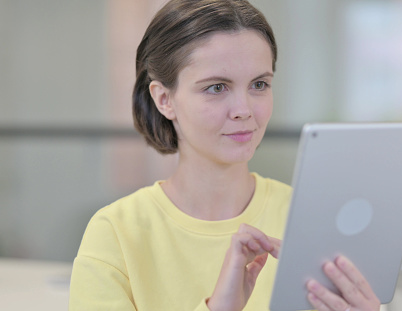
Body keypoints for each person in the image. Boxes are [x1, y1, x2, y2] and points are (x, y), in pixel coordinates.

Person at [69, 0, 381, 310]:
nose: (244, 110)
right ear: (164, 99)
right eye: (217, 87)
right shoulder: (116, 234)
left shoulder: (311, 221)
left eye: (259, 84)